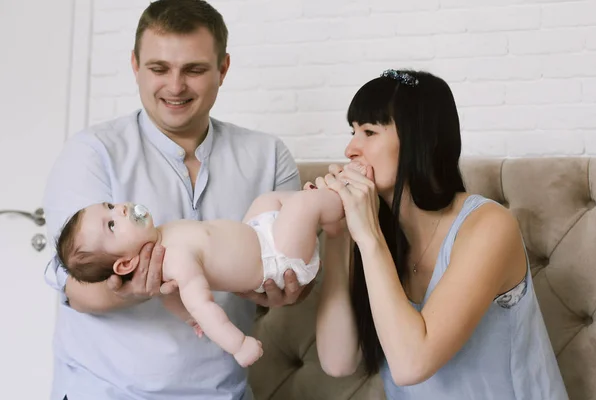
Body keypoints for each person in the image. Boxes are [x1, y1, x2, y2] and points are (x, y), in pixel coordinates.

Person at [42, 0, 309, 398]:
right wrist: (132, 287)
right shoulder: (91, 152)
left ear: (223, 68)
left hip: (223, 392)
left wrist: (283, 289)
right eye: (158, 68)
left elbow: (297, 274)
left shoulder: (268, 157)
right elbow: (76, 289)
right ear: (135, 65)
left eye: (195, 69)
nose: (175, 86)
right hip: (107, 389)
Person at [312, 69, 569, 399]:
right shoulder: (377, 235)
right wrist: (338, 234)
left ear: (421, 138)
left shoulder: (489, 226)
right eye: (352, 131)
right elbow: (337, 361)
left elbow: (411, 364)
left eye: (369, 131)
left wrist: (368, 237)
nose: (350, 148)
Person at [55, 187, 346, 367]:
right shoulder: (175, 259)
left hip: (262, 235)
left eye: (109, 206)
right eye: (111, 224)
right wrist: (237, 344)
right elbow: (203, 306)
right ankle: (341, 202)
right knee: (302, 206)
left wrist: (187, 319)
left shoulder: (163, 237)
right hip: (278, 262)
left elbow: (169, 296)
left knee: (267, 198)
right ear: (125, 264)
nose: (119, 209)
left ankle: (316, 203)